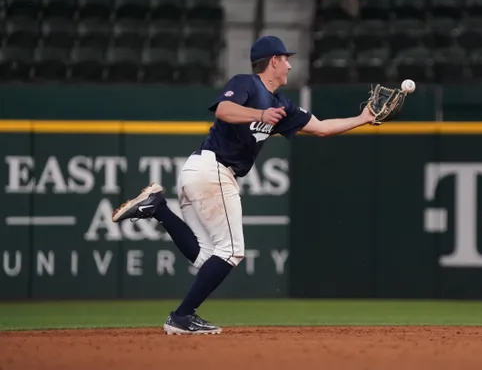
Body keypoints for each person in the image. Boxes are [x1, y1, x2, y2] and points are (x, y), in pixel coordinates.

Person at [112, 35, 376, 335]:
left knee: (206, 256)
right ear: (273, 62)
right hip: (212, 169)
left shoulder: (283, 106)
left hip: (201, 172)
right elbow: (224, 110)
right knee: (232, 251)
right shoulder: (248, 84)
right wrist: (260, 114)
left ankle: (158, 208)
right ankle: (182, 316)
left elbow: (322, 128)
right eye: (285, 59)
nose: (290, 65)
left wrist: (364, 117)